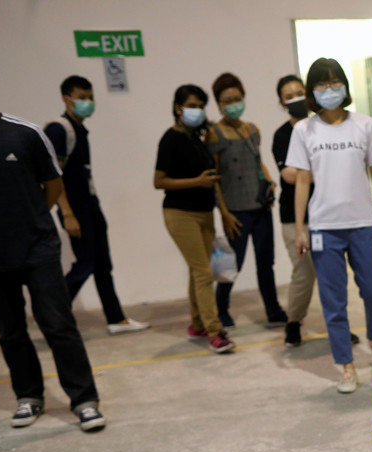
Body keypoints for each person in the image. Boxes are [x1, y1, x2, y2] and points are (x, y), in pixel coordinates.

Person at [0, 50, 105, 431]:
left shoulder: (26, 134)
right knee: (10, 332)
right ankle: (29, 397)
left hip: (38, 249)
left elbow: (53, 185)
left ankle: (84, 399)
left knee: (58, 325)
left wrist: (29, 219)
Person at [287, 58, 372, 393]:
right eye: (321, 84)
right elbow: (302, 180)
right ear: (311, 91)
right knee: (334, 302)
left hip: (362, 222)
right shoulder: (303, 130)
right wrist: (301, 228)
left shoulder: (364, 125)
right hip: (323, 228)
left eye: (335, 83)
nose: (329, 90)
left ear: (345, 86)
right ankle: (346, 366)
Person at [44, 75, 149, 336]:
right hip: (75, 208)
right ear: (66, 99)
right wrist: (67, 213)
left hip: (91, 205)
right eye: (82, 98)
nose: (88, 102)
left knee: (103, 265)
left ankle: (117, 319)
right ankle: (51, 316)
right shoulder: (60, 129)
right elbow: (52, 176)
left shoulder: (80, 130)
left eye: (90, 97)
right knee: (85, 264)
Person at [153, 84, 239, 353]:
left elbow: (210, 179)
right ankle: (215, 331)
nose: (197, 110)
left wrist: (222, 210)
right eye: (192, 105)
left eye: (201, 105)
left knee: (198, 271)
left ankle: (197, 324)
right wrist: (196, 181)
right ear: (178, 108)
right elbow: (159, 181)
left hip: (204, 213)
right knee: (203, 272)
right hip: (181, 214)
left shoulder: (196, 139)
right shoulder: (170, 139)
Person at [207, 72, 288, 330]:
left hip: (260, 207)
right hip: (236, 211)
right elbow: (215, 177)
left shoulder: (252, 129)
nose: (233, 103)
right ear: (218, 103)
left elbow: (258, 162)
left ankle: (273, 310)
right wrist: (224, 213)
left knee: (266, 263)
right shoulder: (214, 133)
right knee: (233, 264)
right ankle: (221, 309)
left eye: (237, 98)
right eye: (227, 100)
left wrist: (269, 180)